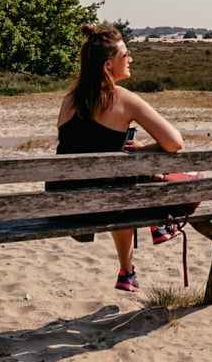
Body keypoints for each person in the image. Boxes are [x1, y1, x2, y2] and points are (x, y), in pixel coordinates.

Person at [52, 24, 184, 292]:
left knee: (121, 183)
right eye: (126, 55)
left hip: (66, 207)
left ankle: (128, 269)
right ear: (108, 64)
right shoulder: (124, 99)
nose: (131, 59)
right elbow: (174, 143)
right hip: (108, 205)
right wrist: (145, 149)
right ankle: (160, 223)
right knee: (172, 178)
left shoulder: (68, 101)